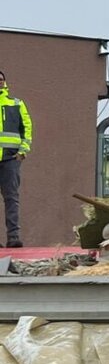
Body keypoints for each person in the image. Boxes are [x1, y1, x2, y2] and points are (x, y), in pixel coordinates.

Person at [0, 70, 32, 248]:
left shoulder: (16, 104)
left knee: (11, 198)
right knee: (11, 199)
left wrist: (23, 151)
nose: (0, 82)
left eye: (2, 79)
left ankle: (13, 237)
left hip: (10, 159)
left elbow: (27, 127)